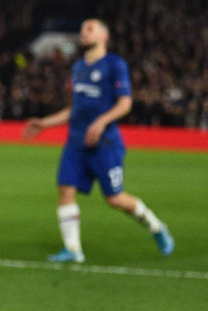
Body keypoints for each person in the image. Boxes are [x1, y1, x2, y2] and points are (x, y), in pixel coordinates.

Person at [23, 18, 174, 263]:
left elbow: (125, 103)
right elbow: (73, 109)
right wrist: (44, 123)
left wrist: (102, 121)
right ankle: (73, 249)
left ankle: (156, 227)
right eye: (82, 28)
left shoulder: (115, 65)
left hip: (104, 143)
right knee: (65, 190)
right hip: (76, 142)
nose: (84, 32)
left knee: (115, 198)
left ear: (104, 36)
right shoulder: (78, 68)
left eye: (90, 29)